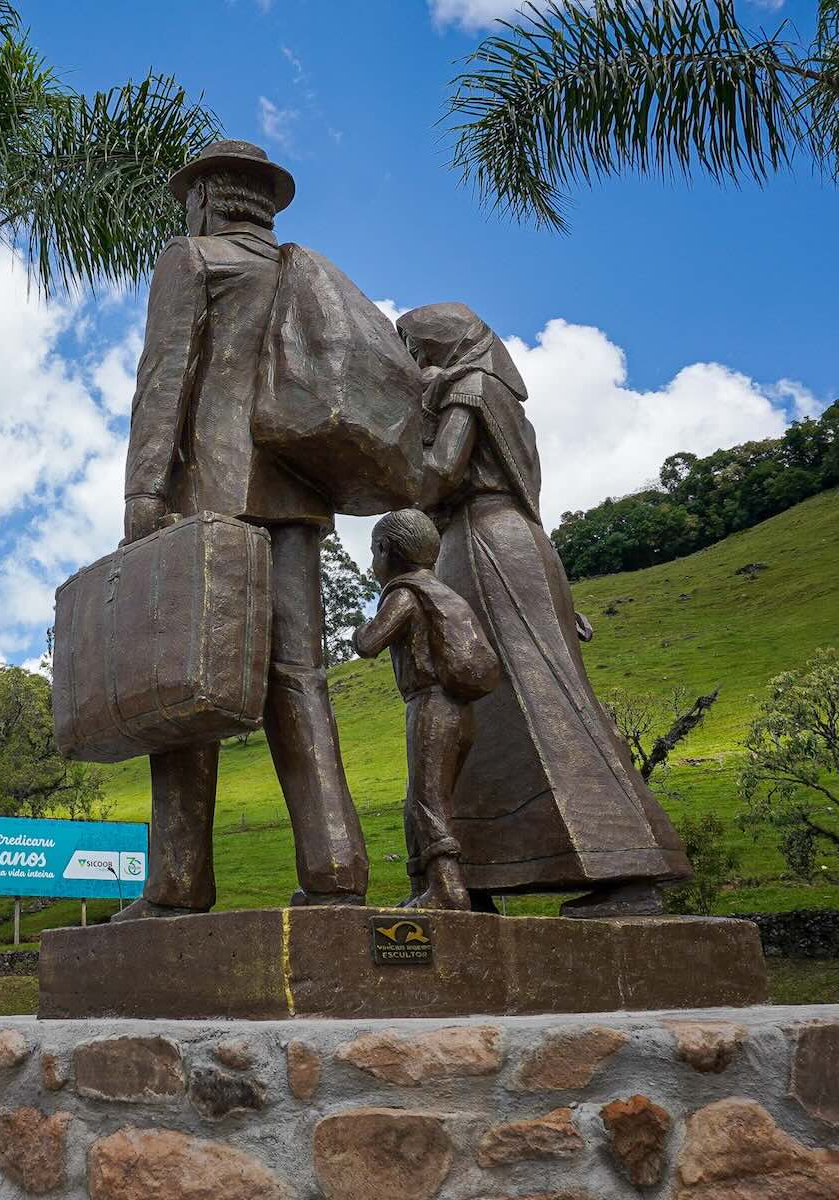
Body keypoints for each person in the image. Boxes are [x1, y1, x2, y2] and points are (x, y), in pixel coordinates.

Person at [118, 140, 369, 916]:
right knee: (299, 678)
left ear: (202, 199)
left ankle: (179, 882)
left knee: (185, 675)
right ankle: (336, 872)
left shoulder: (191, 259)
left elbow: (166, 378)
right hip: (296, 497)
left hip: (213, 495)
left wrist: (142, 492)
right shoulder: (300, 269)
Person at [397, 302, 692, 917]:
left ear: (444, 348)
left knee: (537, 701)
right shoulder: (498, 399)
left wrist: (387, 443)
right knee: (486, 713)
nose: (418, 367)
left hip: (486, 547)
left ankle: (627, 870)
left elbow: (436, 477)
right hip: (505, 547)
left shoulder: (470, 391)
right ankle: (471, 876)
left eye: (420, 353)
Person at [354, 509, 502, 910]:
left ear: (387, 549)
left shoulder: (405, 594)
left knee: (426, 797)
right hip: (462, 708)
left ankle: (447, 890)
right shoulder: (446, 593)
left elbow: (369, 643)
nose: (372, 563)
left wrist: (357, 630)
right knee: (422, 798)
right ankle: (423, 884)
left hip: (430, 703)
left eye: (373, 552)